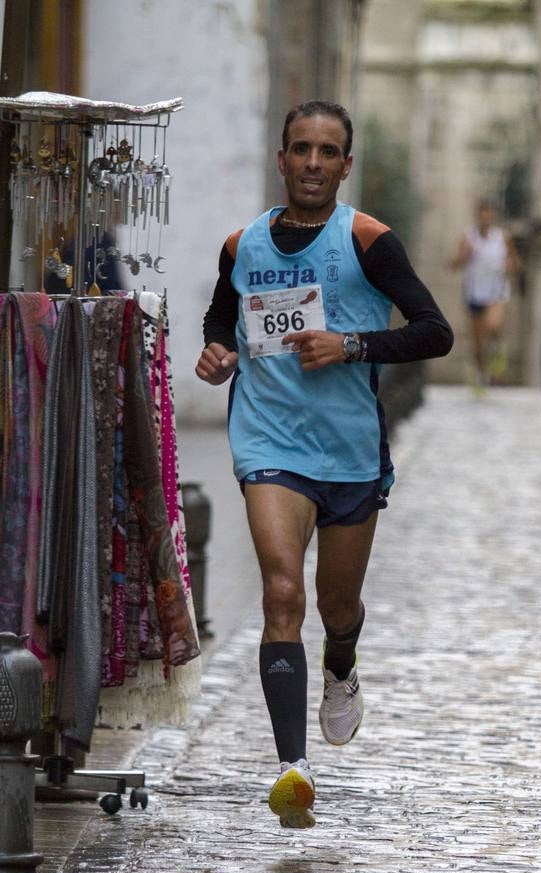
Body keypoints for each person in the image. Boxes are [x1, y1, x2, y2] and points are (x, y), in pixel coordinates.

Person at [195, 100, 453, 828]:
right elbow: (225, 315)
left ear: (345, 164)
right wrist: (217, 351)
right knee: (283, 592)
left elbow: (436, 333)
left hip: (348, 453)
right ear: (281, 160)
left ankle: (341, 663)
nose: (312, 162)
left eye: (327, 151)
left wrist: (352, 345)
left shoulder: (368, 240)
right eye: (300, 149)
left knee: (337, 606)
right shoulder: (241, 244)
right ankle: (291, 768)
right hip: (270, 440)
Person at [448, 199, 518, 389]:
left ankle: (498, 353)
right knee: (478, 343)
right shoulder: (468, 238)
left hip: (497, 292)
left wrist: (510, 265)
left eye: (488, 214)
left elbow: (515, 262)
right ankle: (481, 375)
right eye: (481, 214)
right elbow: (453, 264)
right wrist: (464, 256)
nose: (485, 218)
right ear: (477, 216)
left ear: (492, 216)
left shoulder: (503, 238)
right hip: (474, 294)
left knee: (493, 325)